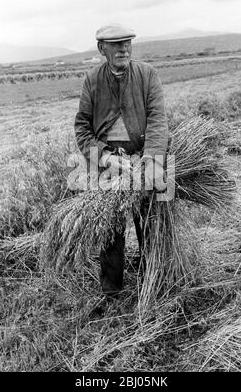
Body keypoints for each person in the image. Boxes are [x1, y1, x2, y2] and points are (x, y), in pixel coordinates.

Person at [75, 24, 168, 298]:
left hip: (144, 157)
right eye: (116, 44)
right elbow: (82, 127)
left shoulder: (148, 75)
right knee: (109, 228)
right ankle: (112, 291)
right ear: (101, 48)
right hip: (109, 163)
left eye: (127, 42)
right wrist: (104, 157)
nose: (124, 48)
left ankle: (153, 279)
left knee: (151, 222)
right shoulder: (92, 80)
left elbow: (158, 121)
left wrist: (149, 162)